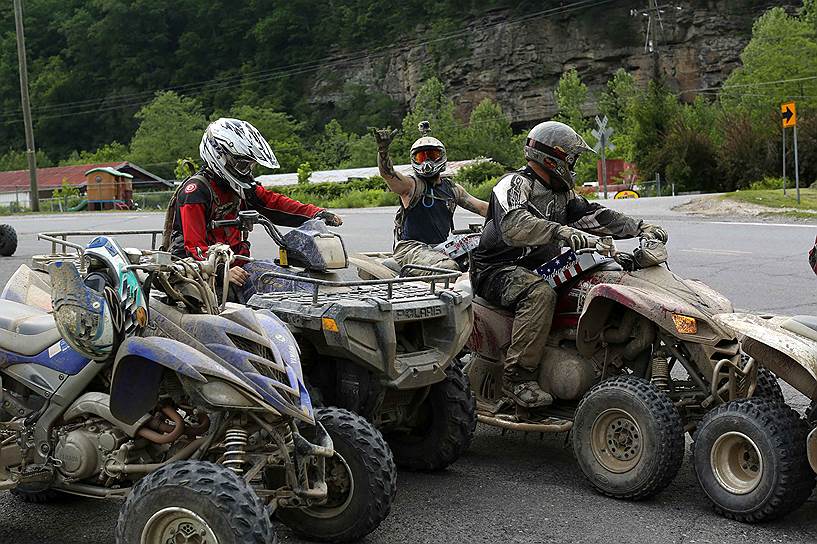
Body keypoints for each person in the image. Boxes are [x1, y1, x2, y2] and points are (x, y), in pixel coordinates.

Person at [470, 121, 667, 409]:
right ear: (552, 158)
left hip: (538, 267)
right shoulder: (513, 184)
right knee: (539, 294)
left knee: (606, 274)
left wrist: (641, 227)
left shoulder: (562, 194)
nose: (574, 166)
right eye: (571, 159)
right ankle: (517, 378)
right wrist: (561, 232)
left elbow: (595, 216)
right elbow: (513, 225)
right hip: (497, 270)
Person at [164, 118, 342, 297]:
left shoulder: (238, 186)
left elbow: (274, 203)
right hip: (200, 272)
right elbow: (194, 246)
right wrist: (221, 272)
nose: (247, 171)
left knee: (302, 286)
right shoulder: (195, 191)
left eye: (250, 165)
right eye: (243, 165)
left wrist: (315, 213)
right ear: (219, 156)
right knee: (275, 300)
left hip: (237, 265)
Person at [374, 122, 488, 272]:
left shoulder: (452, 189)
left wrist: (514, 211)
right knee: (447, 268)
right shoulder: (410, 186)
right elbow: (388, 175)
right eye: (422, 157)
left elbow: (482, 207)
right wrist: (383, 151)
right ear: (414, 160)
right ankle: (446, 294)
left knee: (481, 258)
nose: (427, 162)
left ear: (442, 157)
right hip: (411, 249)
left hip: (441, 248)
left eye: (432, 155)